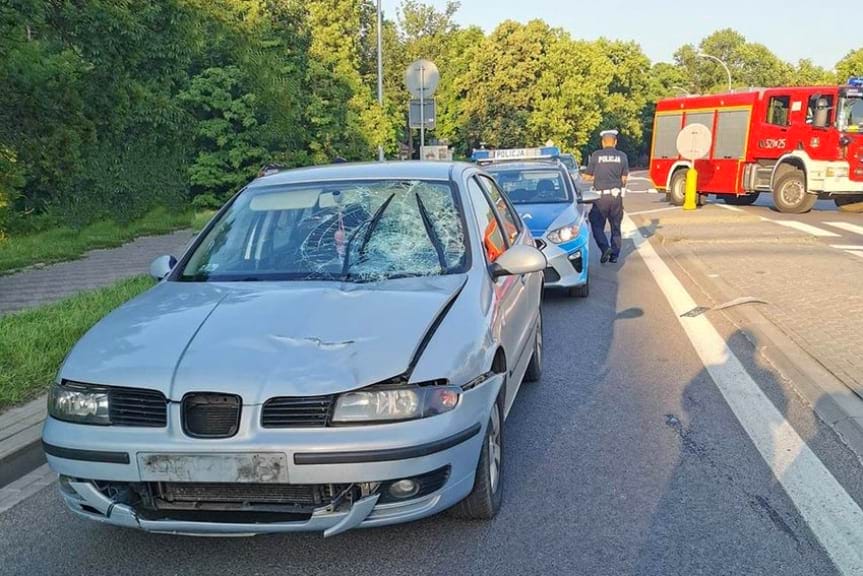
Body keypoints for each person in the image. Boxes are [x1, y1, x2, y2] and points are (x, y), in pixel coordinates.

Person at [582, 129, 629, 264]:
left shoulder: (596, 155)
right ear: (615, 142)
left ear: (603, 142)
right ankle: (614, 255)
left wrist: (596, 177)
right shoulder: (622, 156)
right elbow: (624, 179)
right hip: (616, 197)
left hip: (600, 198)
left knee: (596, 224)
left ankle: (605, 248)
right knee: (616, 227)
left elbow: (586, 177)